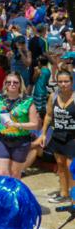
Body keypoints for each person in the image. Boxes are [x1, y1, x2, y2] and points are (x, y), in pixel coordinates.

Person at [0, 72, 39, 178]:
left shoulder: (27, 101)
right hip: (1, 138)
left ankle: (13, 195)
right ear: (5, 84)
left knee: (15, 175)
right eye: (9, 82)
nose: (12, 84)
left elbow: (34, 124)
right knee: (2, 174)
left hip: (21, 141)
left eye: (15, 82)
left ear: (20, 84)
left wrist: (16, 124)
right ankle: (2, 195)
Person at [43, 69, 75, 203]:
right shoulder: (54, 96)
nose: (63, 84)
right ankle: (64, 194)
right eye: (60, 81)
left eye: (66, 81)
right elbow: (49, 115)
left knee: (71, 168)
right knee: (60, 165)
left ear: (71, 82)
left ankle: (74, 198)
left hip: (72, 137)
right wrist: (43, 134)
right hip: (57, 135)